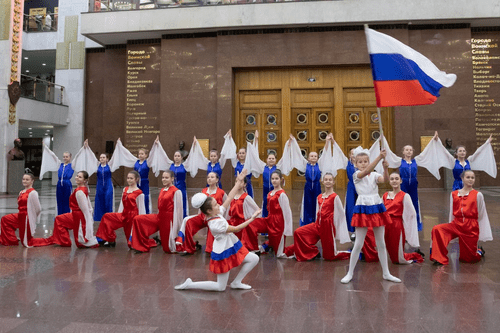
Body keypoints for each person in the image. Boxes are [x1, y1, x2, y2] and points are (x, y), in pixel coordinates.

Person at [174, 171, 261, 291]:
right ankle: (190, 284)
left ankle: (236, 282)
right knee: (220, 287)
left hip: (231, 245)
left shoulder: (216, 212)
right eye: (215, 204)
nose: (218, 205)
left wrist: (239, 181)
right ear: (209, 211)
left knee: (254, 259)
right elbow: (236, 229)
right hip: (223, 251)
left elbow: (229, 197)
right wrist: (252, 218)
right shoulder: (215, 224)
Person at [340, 148, 400, 284]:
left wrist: (385, 169)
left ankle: (386, 273)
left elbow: (384, 180)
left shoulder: (374, 175)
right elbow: (365, 172)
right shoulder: (356, 175)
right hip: (362, 206)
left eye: (365, 161)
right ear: (355, 164)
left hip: (376, 205)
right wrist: (379, 157)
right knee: (358, 243)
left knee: (381, 242)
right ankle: (349, 273)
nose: (363, 164)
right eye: (360, 162)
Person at [368, 132, 446, 232]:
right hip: (403, 184)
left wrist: (433, 140)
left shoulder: (416, 160)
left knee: (414, 204)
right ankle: (402, 222)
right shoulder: (400, 161)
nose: (408, 152)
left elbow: (426, 151)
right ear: (403, 152)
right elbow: (389, 154)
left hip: (413, 185)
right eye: (406, 150)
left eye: (410, 150)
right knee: (402, 203)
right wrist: (383, 140)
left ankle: (415, 224)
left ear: (412, 152)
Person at [283, 173, 351, 261]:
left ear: (333, 182)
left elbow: (340, 214)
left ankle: (350, 253)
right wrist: (316, 223)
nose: (328, 181)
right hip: (317, 225)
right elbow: (317, 212)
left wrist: (337, 230)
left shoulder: (335, 197)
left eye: (330, 180)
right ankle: (312, 252)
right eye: (326, 180)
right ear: (322, 182)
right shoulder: (319, 197)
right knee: (298, 232)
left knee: (329, 256)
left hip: (327, 227)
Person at [430, 170, 492, 265]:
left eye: (472, 177)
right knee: (437, 229)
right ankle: (439, 257)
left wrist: (479, 231)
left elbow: (481, 213)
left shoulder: (478, 195)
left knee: (468, 259)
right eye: (468, 177)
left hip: (470, 226)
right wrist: (451, 230)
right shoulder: (454, 194)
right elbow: (452, 212)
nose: (470, 180)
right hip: (456, 224)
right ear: (462, 178)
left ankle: (479, 251)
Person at [361, 172, 424, 264]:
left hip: (396, 226)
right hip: (383, 223)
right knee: (365, 231)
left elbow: (412, 214)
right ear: (389, 182)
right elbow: (379, 210)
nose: (394, 181)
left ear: (400, 181)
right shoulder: (385, 195)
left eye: (396, 179)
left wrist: (406, 228)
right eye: (392, 179)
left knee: (397, 260)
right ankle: (372, 255)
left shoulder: (405, 196)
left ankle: (415, 254)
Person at [32, 171, 98, 248]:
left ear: (85, 180)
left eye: (80, 177)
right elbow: (88, 206)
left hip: (78, 217)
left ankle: (64, 241)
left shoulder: (79, 192)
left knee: (60, 220)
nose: (77, 178)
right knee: (59, 219)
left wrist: (88, 225)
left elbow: (85, 210)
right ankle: (63, 240)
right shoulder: (83, 189)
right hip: (76, 214)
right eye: (77, 176)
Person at [148, 136, 207, 218]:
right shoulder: (170, 165)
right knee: (171, 204)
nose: (176, 157)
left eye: (178, 156)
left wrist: (194, 145)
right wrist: (157, 144)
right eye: (175, 156)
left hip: (181, 188)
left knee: (181, 204)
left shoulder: (185, 165)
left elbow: (191, 157)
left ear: (182, 157)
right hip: (171, 188)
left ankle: (181, 218)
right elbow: (163, 155)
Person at [287, 133, 337, 226]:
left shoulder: (320, 164)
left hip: (317, 187)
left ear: (318, 158)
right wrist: (293, 141)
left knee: (317, 204)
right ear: (308, 158)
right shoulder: (305, 164)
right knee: (307, 204)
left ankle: (317, 222)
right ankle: (307, 222)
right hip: (308, 188)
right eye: (311, 156)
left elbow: (325, 152)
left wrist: (327, 141)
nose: (313, 157)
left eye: (315, 156)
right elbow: (298, 153)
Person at [241, 170, 293, 257]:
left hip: (278, 224)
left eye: (276, 178)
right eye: (272, 179)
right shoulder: (270, 194)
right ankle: (254, 248)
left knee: (279, 254)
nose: (274, 180)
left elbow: (287, 212)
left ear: (281, 180)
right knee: (250, 223)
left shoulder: (282, 195)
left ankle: (296, 248)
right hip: (269, 220)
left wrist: (287, 229)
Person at [130, 170, 183, 253]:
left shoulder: (176, 191)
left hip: (169, 220)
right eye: (163, 177)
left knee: (167, 249)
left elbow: (179, 211)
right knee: (138, 219)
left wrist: (177, 229)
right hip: (159, 216)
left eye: (166, 178)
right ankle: (140, 245)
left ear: (172, 179)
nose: (164, 179)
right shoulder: (162, 190)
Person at [176, 172, 227, 254]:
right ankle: (188, 247)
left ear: (217, 180)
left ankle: (212, 249)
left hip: (214, 217)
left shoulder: (221, 192)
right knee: (188, 221)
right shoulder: (203, 191)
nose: (209, 179)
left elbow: (226, 205)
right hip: (203, 216)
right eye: (208, 177)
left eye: (212, 177)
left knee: (212, 226)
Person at [96, 171, 146, 247]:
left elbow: (141, 209)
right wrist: (119, 215)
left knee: (132, 244)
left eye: (131, 178)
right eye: (128, 178)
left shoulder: (139, 193)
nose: (129, 180)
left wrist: (141, 223)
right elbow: (122, 204)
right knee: (107, 217)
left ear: (137, 179)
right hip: (123, 215)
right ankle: (109, 239)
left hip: (132, 218)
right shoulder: (125, 189)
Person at [0, 173, 41, 247]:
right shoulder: (21, 192)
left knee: (25, 242)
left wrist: (32, 218)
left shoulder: (33, 193)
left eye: (27, 179)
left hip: (26, 217)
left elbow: (38, 208)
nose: (24, 181)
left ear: (32, 181)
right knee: (5, 219)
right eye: (23, 179)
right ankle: (11, 240)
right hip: (20, 215)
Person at [40, 143, 74, 215]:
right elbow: (53, 156)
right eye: (64, 157)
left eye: (66, 157)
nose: (65, 158)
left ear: (70, 157)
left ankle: (67, 215)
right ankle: (60, 215)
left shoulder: (72, 165)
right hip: (59, 185)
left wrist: (85, 148)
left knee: (67, 200)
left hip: (67, 184)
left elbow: (78, 157)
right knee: (59, 200)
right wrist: (46, 148)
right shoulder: (60, 164)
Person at [227, 176, 260, 240]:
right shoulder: (232, 196)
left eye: (241, 181)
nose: (238, 183)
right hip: (232, 224)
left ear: (245, 184)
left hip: (242, 225)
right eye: (236, 181)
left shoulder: (246, 197)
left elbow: (257, 210)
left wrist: (250, 220)